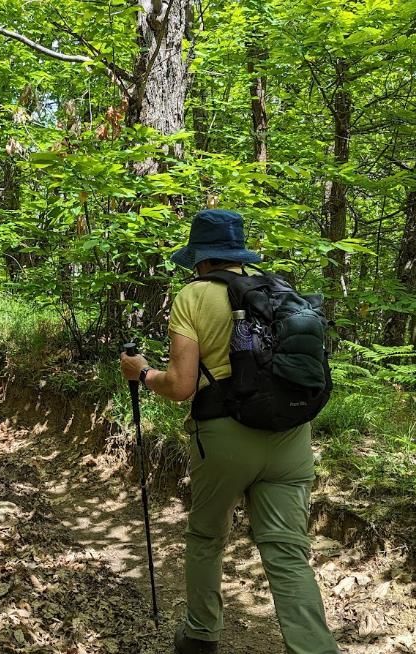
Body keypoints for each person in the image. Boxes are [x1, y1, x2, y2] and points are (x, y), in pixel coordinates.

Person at [120, 209, 339, 654]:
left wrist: (142, 374)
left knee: (206, 536)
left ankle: (200, 636)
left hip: (224, 437)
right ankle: (315, 648)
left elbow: (181, 386)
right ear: (239, 255)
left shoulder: (194, 295)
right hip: (291, 437)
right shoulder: (279, 290)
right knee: (288, 554)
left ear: (200, 258)